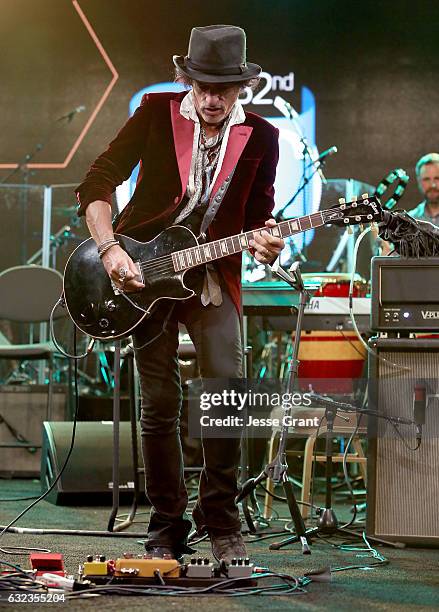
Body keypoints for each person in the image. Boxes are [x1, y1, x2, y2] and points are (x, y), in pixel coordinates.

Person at [75, 25, 284, 563]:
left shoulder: (262, 136)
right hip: (143, 273)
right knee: (160, 404)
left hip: (212, 278)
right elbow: (98, 181)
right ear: (185, 78)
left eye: (224, 89)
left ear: (243, 88)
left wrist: (268, 244)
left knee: (226, 393)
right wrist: (110, 250)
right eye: (201, 85)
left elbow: (260, 216)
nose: (212, 99)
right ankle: (167, 521)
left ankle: (220, 518)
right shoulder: (154, 111)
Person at [379, 153, 439, 255]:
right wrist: (387, 254)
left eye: (437, 178)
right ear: (419, 181)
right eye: (426, 179)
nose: (432, 184)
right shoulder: (408, 222)